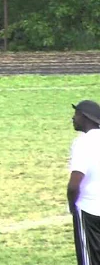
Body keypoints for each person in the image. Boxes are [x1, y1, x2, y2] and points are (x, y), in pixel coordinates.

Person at [68, 100, 100, 265]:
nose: (73, 118)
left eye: (76, 114)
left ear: (86, 117)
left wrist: (72, 204)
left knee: (88, 259)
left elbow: (74, 185)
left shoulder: (82, 142)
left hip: (88, 210)